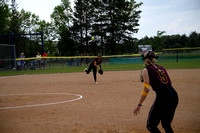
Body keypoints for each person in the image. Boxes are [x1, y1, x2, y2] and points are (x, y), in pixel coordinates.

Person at [133, 51, 179, 133]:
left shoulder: (146, 70)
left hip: (163, 96)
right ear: (155, 59)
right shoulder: (162, 68)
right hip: (174, 95)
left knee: (151, 125)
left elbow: (146, 89)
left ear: (144, 60)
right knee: (166, 124)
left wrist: (139, 104)